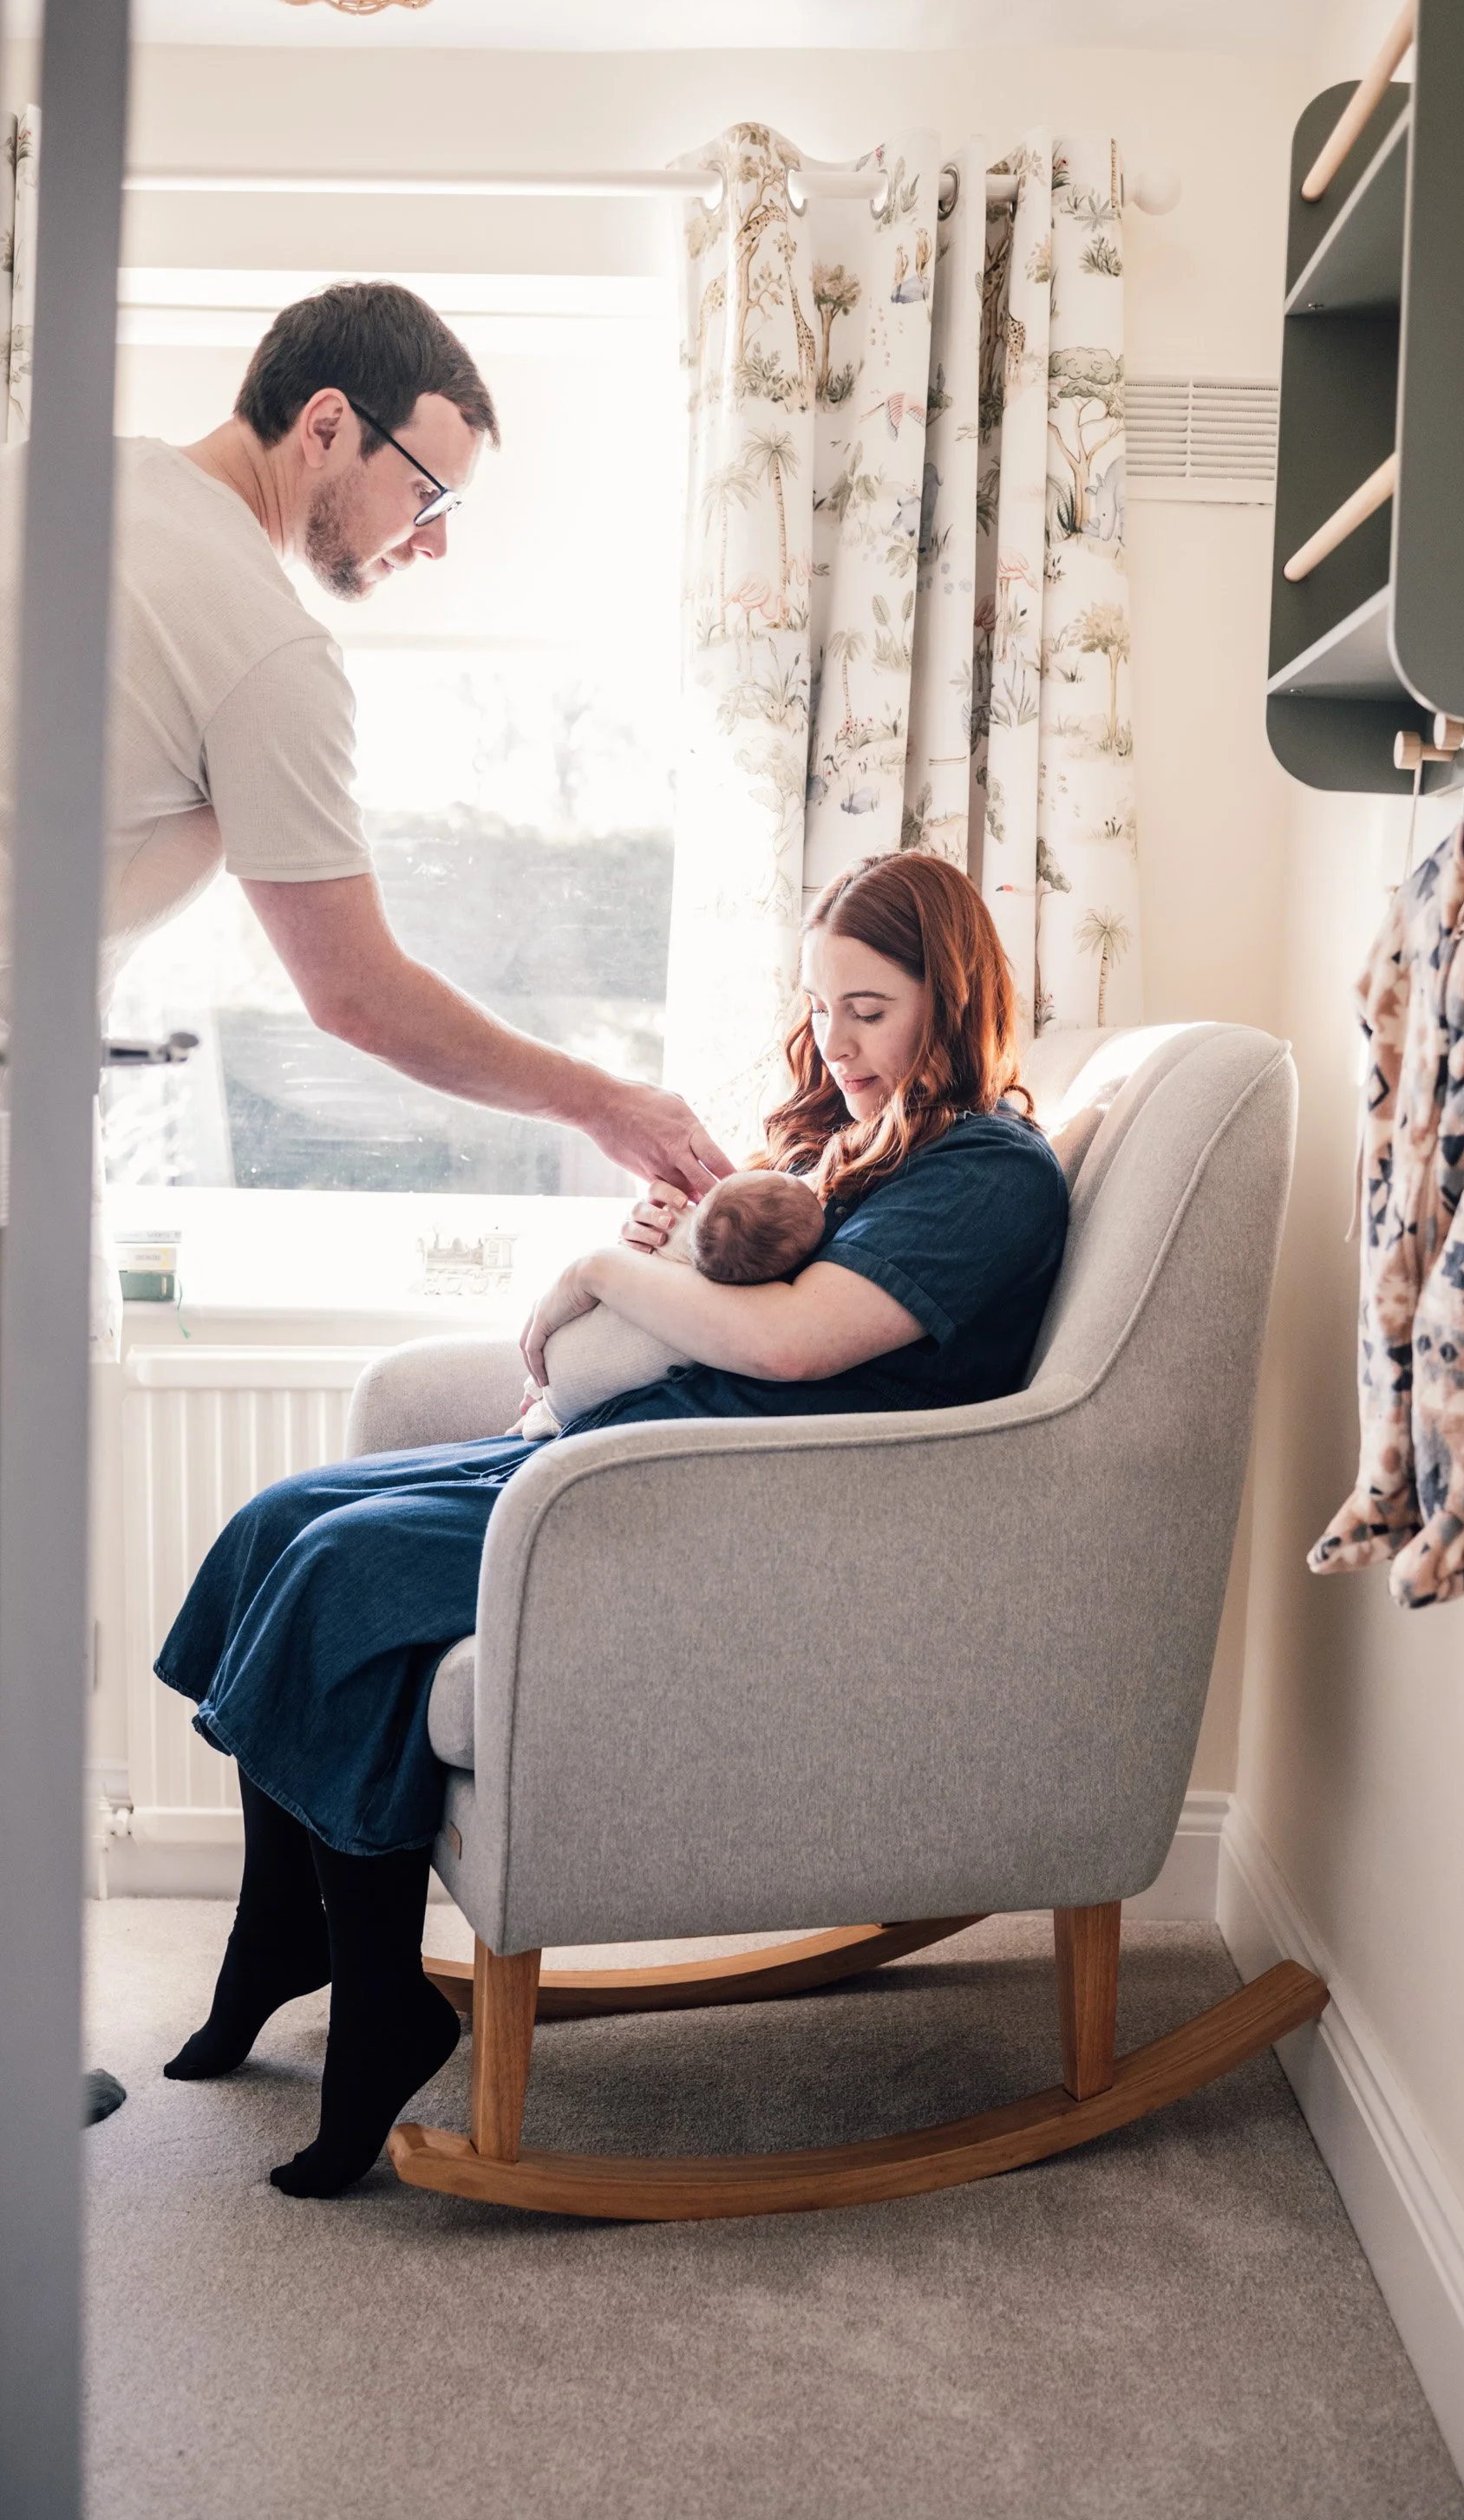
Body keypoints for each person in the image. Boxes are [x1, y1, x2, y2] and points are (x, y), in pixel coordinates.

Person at [154, 852, 1069, 2197]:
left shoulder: (990, 1170)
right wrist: (663, 1244)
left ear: (954, 996)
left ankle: (377, 2010)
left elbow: (805, 1347)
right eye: (823, 1006)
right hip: (641, 1447)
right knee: (277, 1523)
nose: (840, 1039)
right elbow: (721, 1296)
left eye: (870, 1008)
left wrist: (603, 1270)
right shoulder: (837, 1142)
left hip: (729, 1502)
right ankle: (286, 1930)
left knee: (343, 1569)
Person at [0, 277, 728, 1200]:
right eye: (426, 496)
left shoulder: (49, 472)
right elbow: (356, 995)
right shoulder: (264, 648)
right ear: (326, 424)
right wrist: (605, 1104)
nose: (434, 546)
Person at [511, 1167, 825, 1435]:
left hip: (558, 1360)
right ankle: (538, 1414)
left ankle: (534, 1402)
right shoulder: (746, 1298)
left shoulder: (685, 1232)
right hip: (573, 1407)